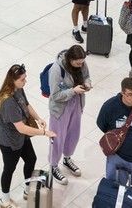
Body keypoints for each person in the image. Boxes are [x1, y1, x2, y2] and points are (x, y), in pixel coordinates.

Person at [0, 64, 54, 208]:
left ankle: (28, 189)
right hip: (9, 142)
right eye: (22, 79)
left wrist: (38, 118)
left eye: (25, 78)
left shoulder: (19, 89)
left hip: (21, 137)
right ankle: (5, 199)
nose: (25, 81)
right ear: (12, 80)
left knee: (31, 159)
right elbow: (21, 128)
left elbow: (26, 105)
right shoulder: (8, 102)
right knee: (9, 169)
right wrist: (44, 133)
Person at [96, 78, 132, 199]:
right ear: (122, 93)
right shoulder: (110, 107)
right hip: (117, 156)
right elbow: (102, 125)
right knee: (114, 190)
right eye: (130, 94)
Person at [47, 45, 90, 185]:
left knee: (73, 134)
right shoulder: (56, 69)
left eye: (82, 62)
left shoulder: (82, 62)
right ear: (70, 59)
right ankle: (53, 166)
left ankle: (67, 158)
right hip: (60, 109)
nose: (81, 64)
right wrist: (73, 91)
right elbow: (55, 95)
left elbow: (87, 76)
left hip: (76, 104)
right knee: (58, 137)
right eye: (78, 62)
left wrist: (87, 84)